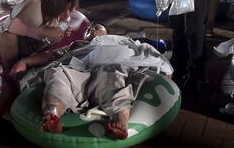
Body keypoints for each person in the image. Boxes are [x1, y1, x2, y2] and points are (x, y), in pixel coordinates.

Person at [11, 33, 173, 139]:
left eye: (98, 27)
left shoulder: (125, 42)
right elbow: (49, 56)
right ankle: (53, 114)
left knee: (112, 74)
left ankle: (120, 117)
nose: (93, 30)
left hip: (110, 66)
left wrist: (161, 69)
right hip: (79, 69)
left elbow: (152, 55)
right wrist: (26, 61)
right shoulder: (77, 45)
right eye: (90, 29)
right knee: (57, 74)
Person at [0, 0, 79, 71]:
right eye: (64, 10)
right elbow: (12, 27)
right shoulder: (34, 5)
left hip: (26, 51)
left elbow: (44, 44)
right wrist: (44, 32)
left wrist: (60, 34)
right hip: (3, 47)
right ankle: (11, 73)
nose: (67, 14)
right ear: (55, 4)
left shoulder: (57, 17)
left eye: (70, 9)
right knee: (8, 36)